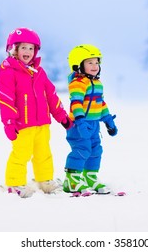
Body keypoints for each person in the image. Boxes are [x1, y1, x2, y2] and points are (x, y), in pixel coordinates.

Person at [0, 27, 72, 198]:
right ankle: (14, 183)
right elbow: (5, 99)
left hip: (42, 123)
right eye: (23, 47)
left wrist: (61, 116)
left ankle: (44, 181)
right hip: (21, 124)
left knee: (43, 154)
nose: (27, 52)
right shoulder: (8, 73)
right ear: (13, 49)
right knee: (21, 154)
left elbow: (51, 95)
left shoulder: (39, 72)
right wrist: (9, 122)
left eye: (31, 48)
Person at [62, 44, 118, 195]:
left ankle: (89, 178)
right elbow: (76, 102)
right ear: (78, 65)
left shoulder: (98, 84)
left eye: (97, 62)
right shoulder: (77, 84)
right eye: (90, 62)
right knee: (82, 150)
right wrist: (79, 121)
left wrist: (108, 120)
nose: (95, 66)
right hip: (78, 125)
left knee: (95, 150)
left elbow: (101, 103)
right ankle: (71, 180)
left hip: (93, 125)